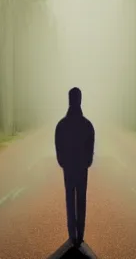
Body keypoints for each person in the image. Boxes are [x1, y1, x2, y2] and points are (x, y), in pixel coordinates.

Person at [55, 87, 95, 250]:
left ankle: (72, 235)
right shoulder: (87, 124)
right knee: (82, 200)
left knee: (70, 200)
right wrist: (87, 162)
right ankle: (81, 235)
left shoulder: (62, 125)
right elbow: (90, 147)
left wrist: (63, 163)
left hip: (69, 169)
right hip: (82, 169)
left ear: (69, 100)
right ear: (80, 100)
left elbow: (58, 147)